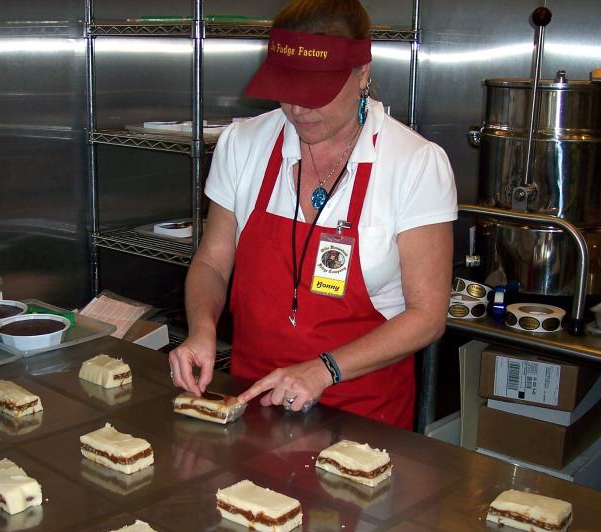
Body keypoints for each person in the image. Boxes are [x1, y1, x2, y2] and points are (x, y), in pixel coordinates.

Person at [169, 0, 456, 430]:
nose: (298, 109)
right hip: (252, 400)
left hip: (361, 415)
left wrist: (324, 369)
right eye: (287, 87)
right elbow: (212, 261)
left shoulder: (414, 164)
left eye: (316, 93)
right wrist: (202, 329)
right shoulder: (243, 144)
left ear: (363, 72)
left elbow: (427, 316)